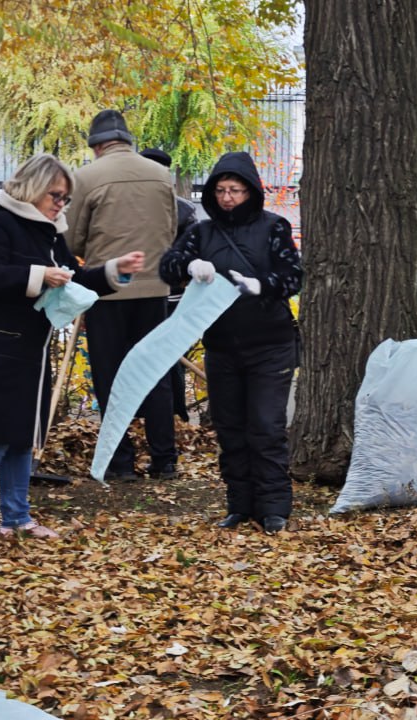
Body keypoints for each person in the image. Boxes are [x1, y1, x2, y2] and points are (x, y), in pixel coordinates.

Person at [0, 154, 143, 547]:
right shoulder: (0, 222)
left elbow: (76, 277)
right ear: (32, 187)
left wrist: (115, 270)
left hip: (27, 348)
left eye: (65, 198)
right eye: (56, 195)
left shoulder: (49, 233)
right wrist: (39, 276)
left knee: (21, 435)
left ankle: (15, 518)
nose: (60, 204)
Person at [158, 152, 303, 534]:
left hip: (271, 343)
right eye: (221, 190)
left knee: (266, 426)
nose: (227, 198)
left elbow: (293, 276)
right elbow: (168, 266)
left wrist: (263, 286)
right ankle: (238, 505)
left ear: (251, 191)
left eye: (235, 190)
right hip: (222, 345)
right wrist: (189, 267)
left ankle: (274, 508)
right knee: (230, 427)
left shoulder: (274, 227)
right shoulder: (202, 233)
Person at [66, 110, 180, 482]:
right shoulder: (162, 174)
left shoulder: (86, 177)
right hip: (155, 288)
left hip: (108, 288)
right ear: (127, 140)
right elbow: (171, 227)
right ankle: (165, 459)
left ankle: (121, 460)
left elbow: (72, 238)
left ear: (97, 146)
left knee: (110, 375)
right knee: (155, 373)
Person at [140, 147, 199, 422]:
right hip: (135, 295)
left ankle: (175, 416)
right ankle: (148, 417)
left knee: (169, 360)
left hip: (171, 297)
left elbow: (189, 255)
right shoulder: (126, 206)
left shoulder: (183, 212)